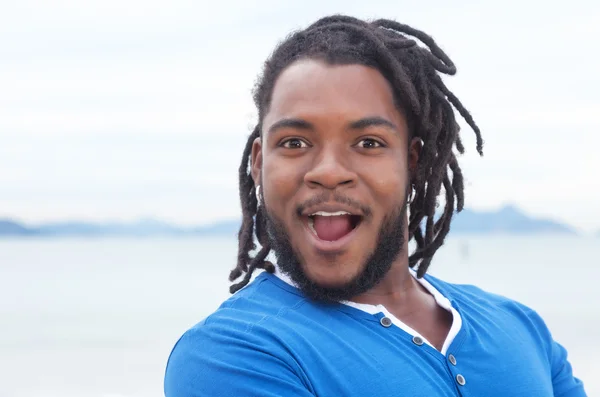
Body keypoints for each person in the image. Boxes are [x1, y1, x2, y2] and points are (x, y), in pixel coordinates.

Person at [164, 15, 587, 396]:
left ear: (412, 162)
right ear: (259, 164)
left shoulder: (518, 326)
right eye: (294, 142)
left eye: (369, 143)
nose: (328, 171)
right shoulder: (231, 355)